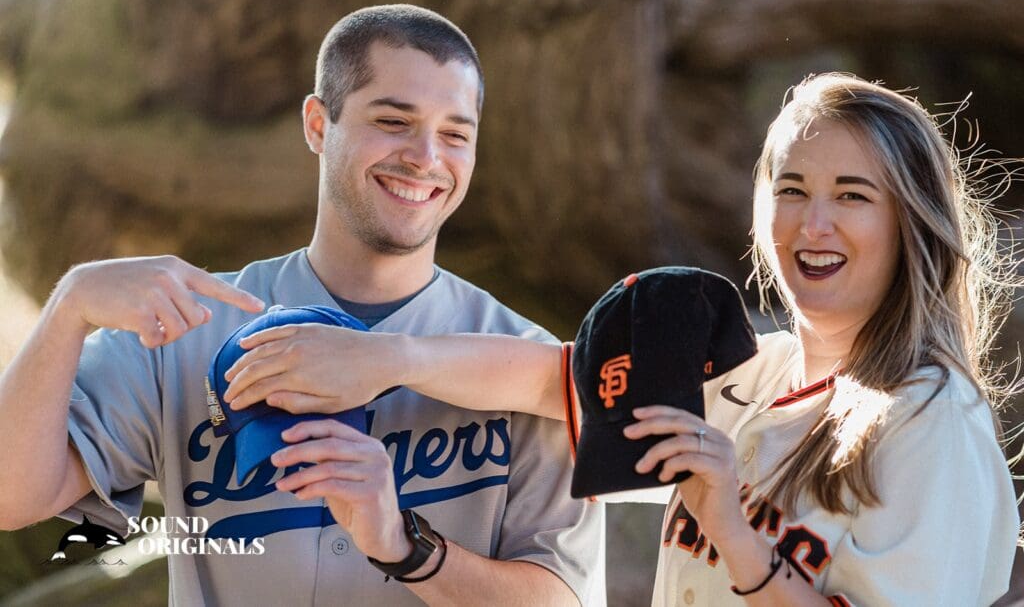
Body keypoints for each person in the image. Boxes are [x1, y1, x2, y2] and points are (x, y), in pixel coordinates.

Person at [223, 73, 1022, 606]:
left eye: (852, 196)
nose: (814, 223)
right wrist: (382, 359)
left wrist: (735, 534)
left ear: (911, 222)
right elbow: (551, 380)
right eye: (791, 189)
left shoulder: (933, 422)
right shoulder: (755, 373)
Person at [0, 4, 604, 606]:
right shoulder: (185, 329)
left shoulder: (529, 372)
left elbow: (559, 599)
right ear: (318, 124)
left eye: (455, 134)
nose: (426, 157)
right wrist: (68, 309)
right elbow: (11, 495)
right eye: (394, 121)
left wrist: (404, 546)